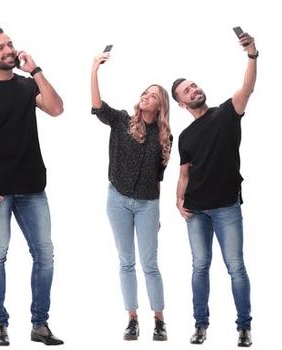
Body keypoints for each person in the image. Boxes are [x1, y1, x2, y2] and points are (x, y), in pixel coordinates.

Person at [0, 26, 66, 346]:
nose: (8, 49)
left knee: (46, 255)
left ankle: (40, 324)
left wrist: (35, 70)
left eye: (10, 44)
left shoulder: (27, 86)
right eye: (1, 47)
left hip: (33, 186)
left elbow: (56, 108)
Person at [170, 29, 257, 348]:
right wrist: (178, 201)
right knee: (199, 267)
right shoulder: (186, 137)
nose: (193, 90)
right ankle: (200, 325)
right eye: (186, 90)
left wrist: (252, 54)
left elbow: (247, 88)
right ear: (180, 103)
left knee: (236, 266)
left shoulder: (226, 113)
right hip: (196, 212)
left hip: (226, 207)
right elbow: (183, 174)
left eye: (193, 85)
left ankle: (244, 327)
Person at [89, 48, 172, 342]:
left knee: (150, 263)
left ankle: (159, 320)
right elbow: (98, 107)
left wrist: (158, 213)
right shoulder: (123, 120)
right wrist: (95, 70)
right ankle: (132, 319)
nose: (146, 96)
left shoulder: (165, 137)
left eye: (153, 95)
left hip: (148, 204)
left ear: (161, 105)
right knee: (126, 261)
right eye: (145, 92)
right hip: (118, 200)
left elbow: (159, 177)